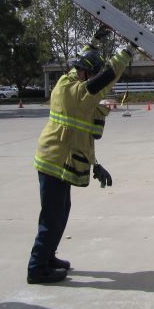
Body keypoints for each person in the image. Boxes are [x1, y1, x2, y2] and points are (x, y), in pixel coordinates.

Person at [27, 27, 135, 284]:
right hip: (55, 161)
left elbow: (81, 135)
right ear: (86, 73)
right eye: (91, 73)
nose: (94, 78)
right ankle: (37, 268)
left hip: (58, 158)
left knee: (60, 212)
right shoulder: (79, 93)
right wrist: (128, 50)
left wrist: (95, 41)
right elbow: (109, 75)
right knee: (52, 216)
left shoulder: (67, 81)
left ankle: (48, 256)